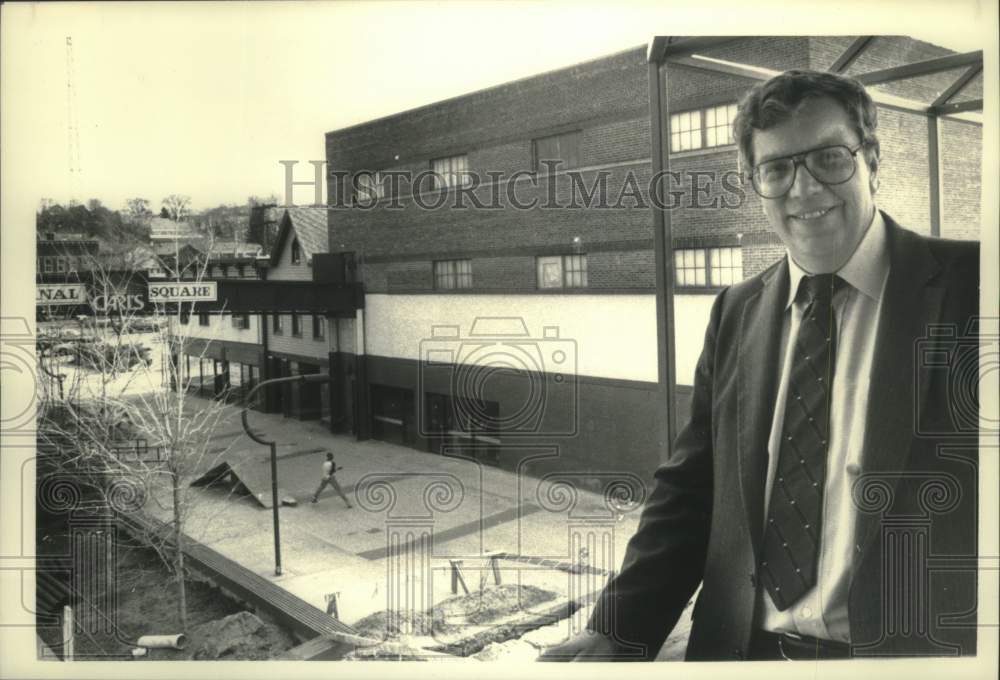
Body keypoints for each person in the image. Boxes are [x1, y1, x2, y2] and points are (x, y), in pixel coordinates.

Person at [541, 69, 979, 661]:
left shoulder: (974, 286)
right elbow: (693, 487)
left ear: (872, 160)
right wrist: (619, 627)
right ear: (757, 184)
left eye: (829, 157)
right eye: (777, 169)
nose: (803, 190)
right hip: (739, 653)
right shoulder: (736, 309)